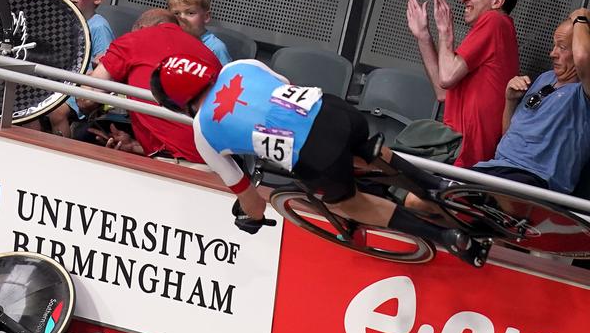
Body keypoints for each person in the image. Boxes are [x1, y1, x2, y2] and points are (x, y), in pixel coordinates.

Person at [150, 51, 490, 266]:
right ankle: (438, 183)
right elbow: (285, 92)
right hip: (335, 110)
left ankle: (446, 238)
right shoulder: (242, 65)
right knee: (368, 150)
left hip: (316, 154)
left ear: (174, 104)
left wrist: (250, 219)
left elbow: (253, 203)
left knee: (348, 203)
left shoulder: (203, 132)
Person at [405, 0, 520, 168]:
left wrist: (445, 31)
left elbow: (447, 77)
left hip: (464, 152)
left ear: (497, 1)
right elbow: (443, 92)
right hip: (456, 147)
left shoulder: (495, 21)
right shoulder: (492, 31)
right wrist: (423, 36)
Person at [471, 8, 590, 194]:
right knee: (418, 200)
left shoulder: (583, 92)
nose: (553, 53)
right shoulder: (545, 78)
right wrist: (510, 100)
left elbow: (583, 58)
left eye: (562, 47)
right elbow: (509, 135)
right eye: (554, 45)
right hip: (495, 167)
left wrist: (582, 17)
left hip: (533, 179)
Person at [81, 11, 214, 161]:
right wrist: (134, 145)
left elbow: (87, 98)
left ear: (142, 27)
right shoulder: (207, 52)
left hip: (177, 164)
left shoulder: (134, 39)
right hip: (221, 162)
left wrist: (89, 77)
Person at [39, 0, 115, 137]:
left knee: (56, 111)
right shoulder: (63, 21)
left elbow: (106, 63)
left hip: (81, 89)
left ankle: (61, 147)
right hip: (58, 82)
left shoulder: (98, 26)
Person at [167, 0, 231, 65]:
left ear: (206, 17)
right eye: (176, 13)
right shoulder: (168, 41)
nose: (182, 18)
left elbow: (225, 77)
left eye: (190, 13)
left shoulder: (216, 48)